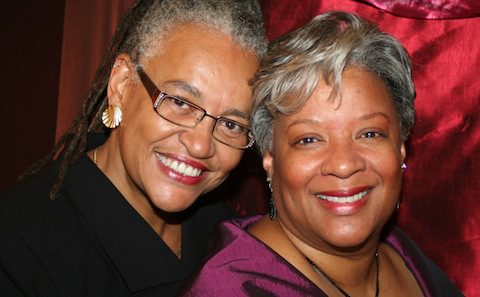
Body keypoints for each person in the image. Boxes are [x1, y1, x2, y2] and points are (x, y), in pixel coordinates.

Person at [179, 11, 464, 296]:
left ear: (401, 147)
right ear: (270, 158)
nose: (343, 165)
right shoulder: (229, 289)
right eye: (309, 139)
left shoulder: (407, 258)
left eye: (369, 134)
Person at [0, 0, 267, 296]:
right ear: (122, 84)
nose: (201, 145)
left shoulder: (231, 240)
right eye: (179, 102)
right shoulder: (19, 252)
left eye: (231, 124)